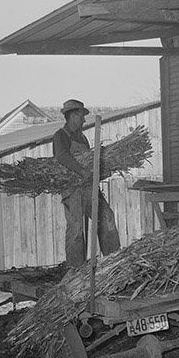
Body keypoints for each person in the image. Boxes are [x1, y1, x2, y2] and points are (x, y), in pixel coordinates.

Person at [52, 99, 121, 268]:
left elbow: (90, 164)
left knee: (106, 217)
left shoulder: (82, 138)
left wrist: (101, 171)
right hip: (73, 188)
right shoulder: (60, 135)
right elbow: (61, 156)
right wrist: (81, 171)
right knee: (76, 228)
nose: (83, 120)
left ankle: (113, 262)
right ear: (72, 116)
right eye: (81, 116)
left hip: (88, 187)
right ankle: (76, 270)